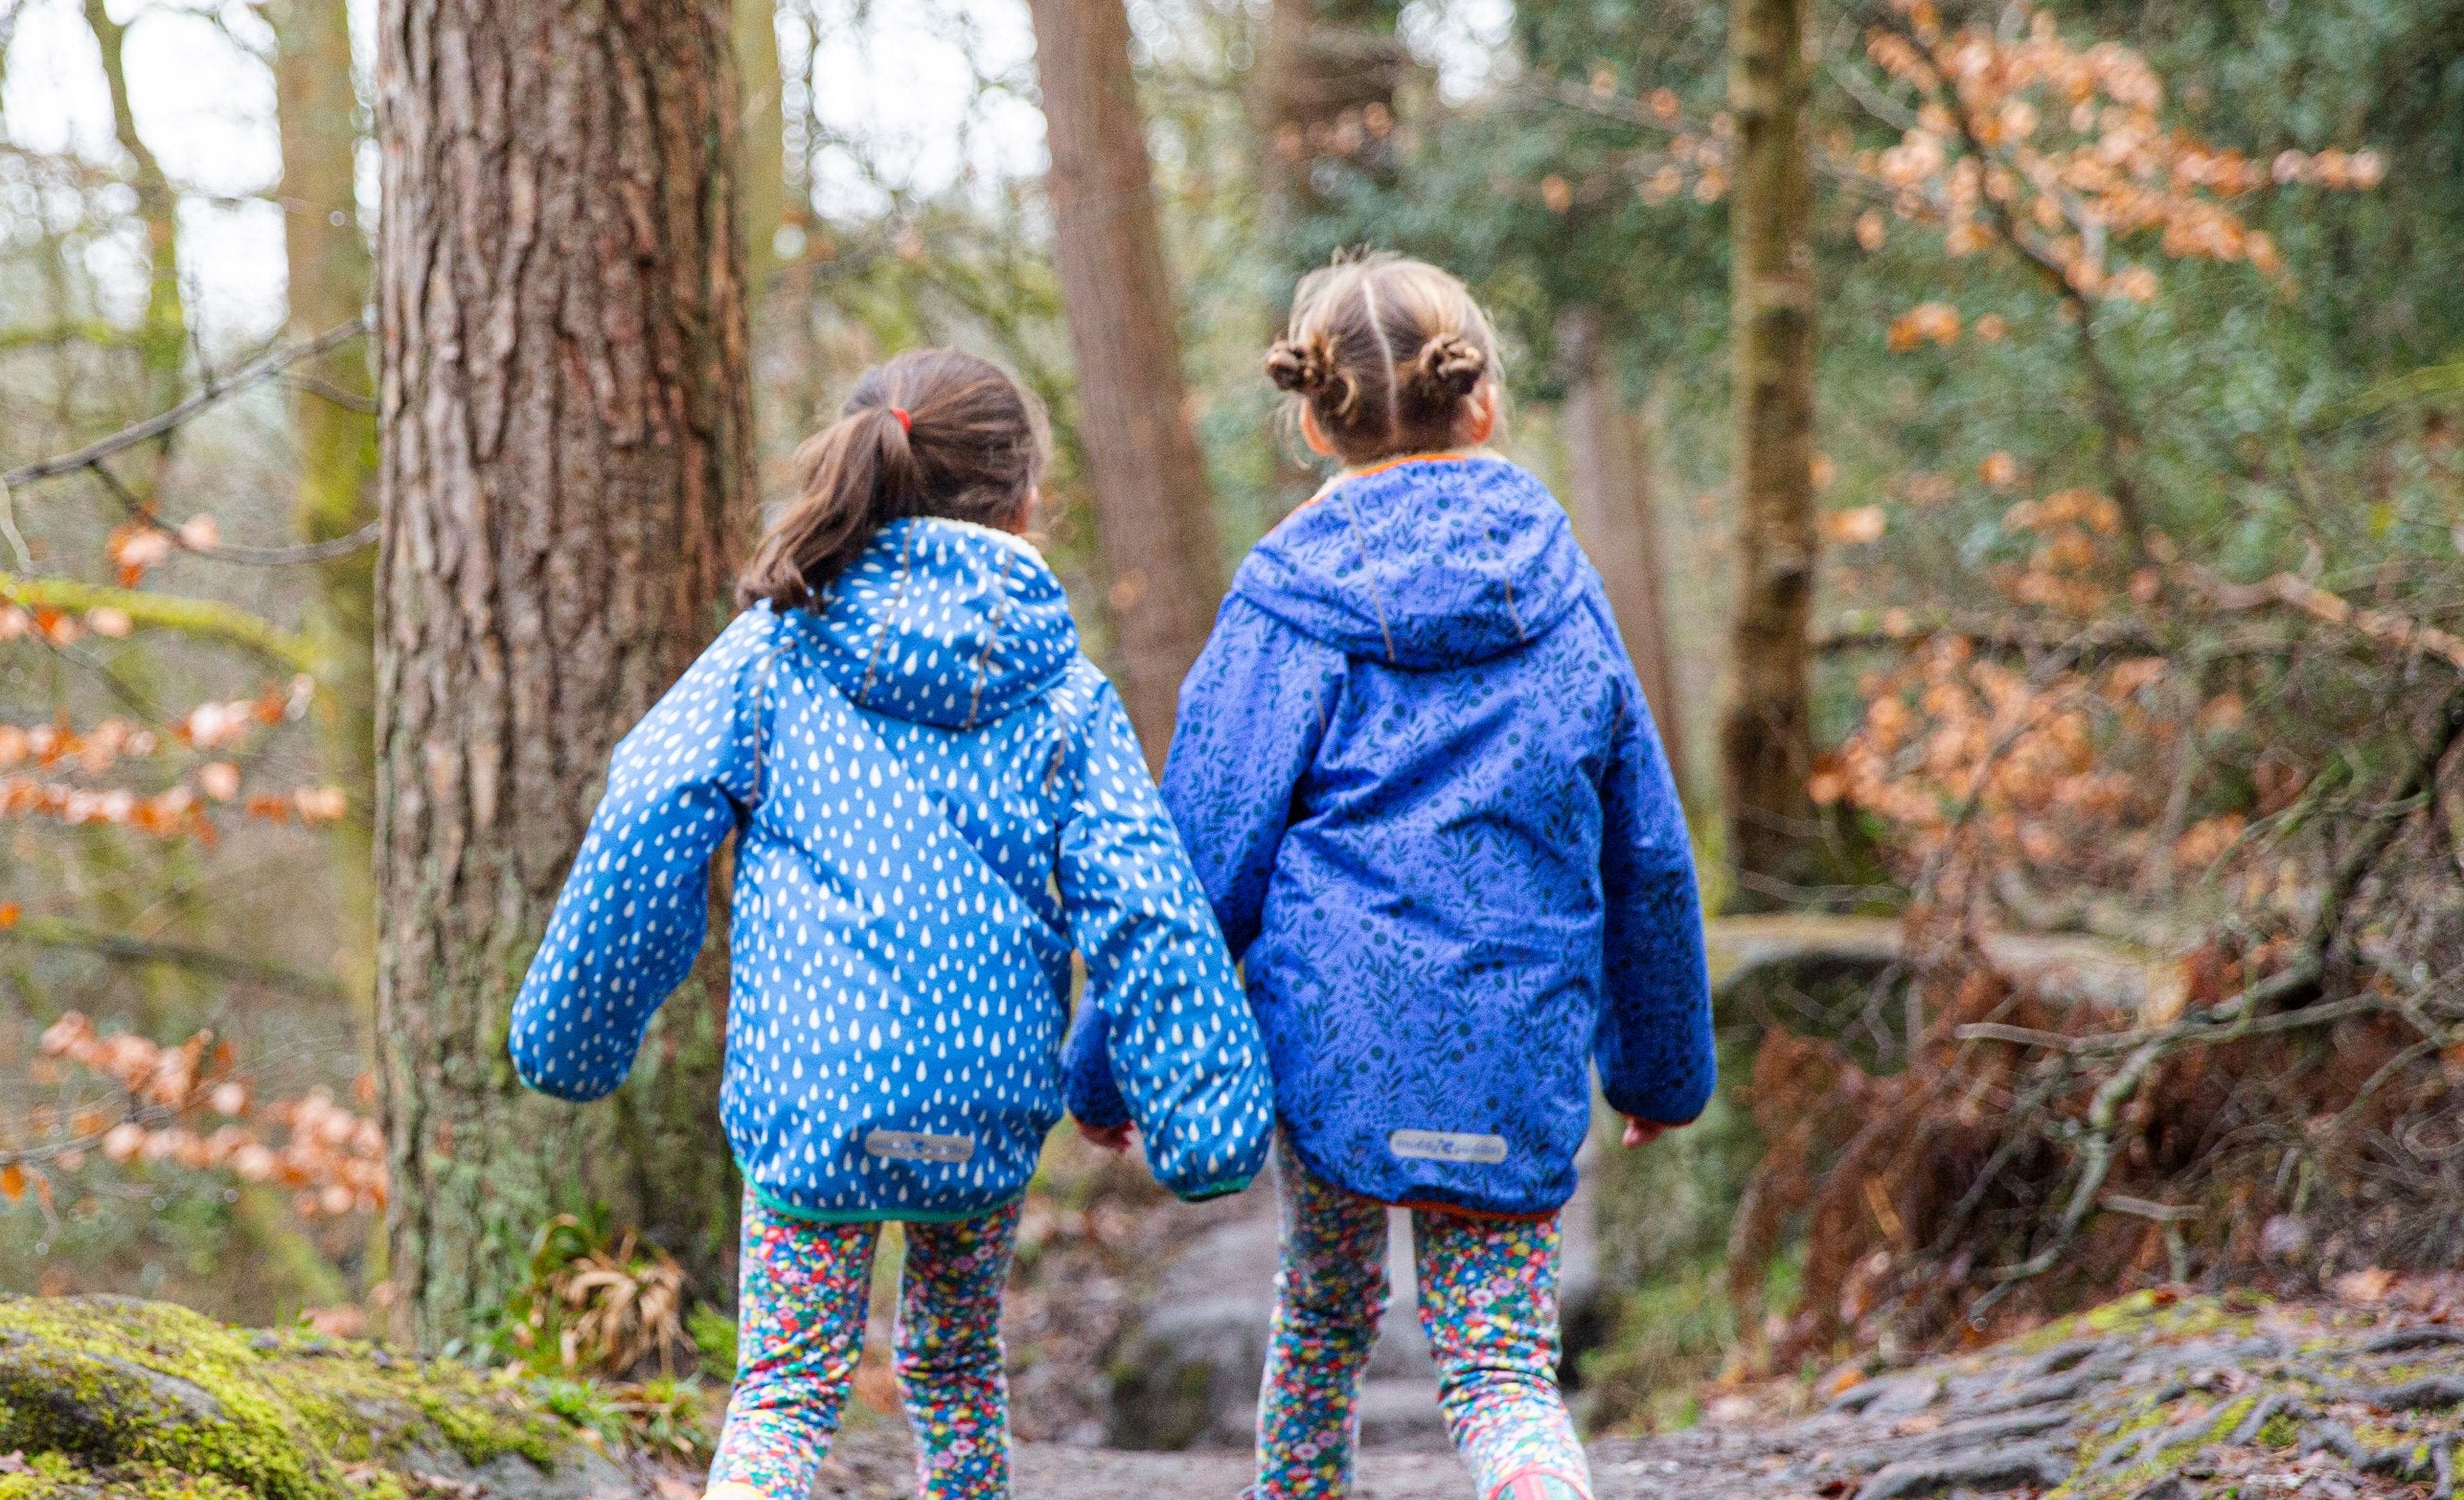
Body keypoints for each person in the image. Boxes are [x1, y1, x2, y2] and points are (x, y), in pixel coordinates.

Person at [508, 348, 1273, 1500]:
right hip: (981, 1095)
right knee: (957, 1372)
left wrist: (576, 1031)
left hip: (812, 1082)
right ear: (1022, 500)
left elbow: (646, 813)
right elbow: (1147, 902)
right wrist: (1202, 1116)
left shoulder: (773, 653)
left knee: (784, 1389)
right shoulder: (1062, 692)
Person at [1069, 253, 1715, 1500]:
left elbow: (1193, 860)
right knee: (1503, 1371)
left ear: (1314, 423)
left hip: (1337, 1036)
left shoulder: (1285, 600)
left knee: (1322, 1317)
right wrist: (1659, 1068)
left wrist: (1108, 1066)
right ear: (1481, 403)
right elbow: (1646, 851)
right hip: (1512, 1032)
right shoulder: (1559, 589)